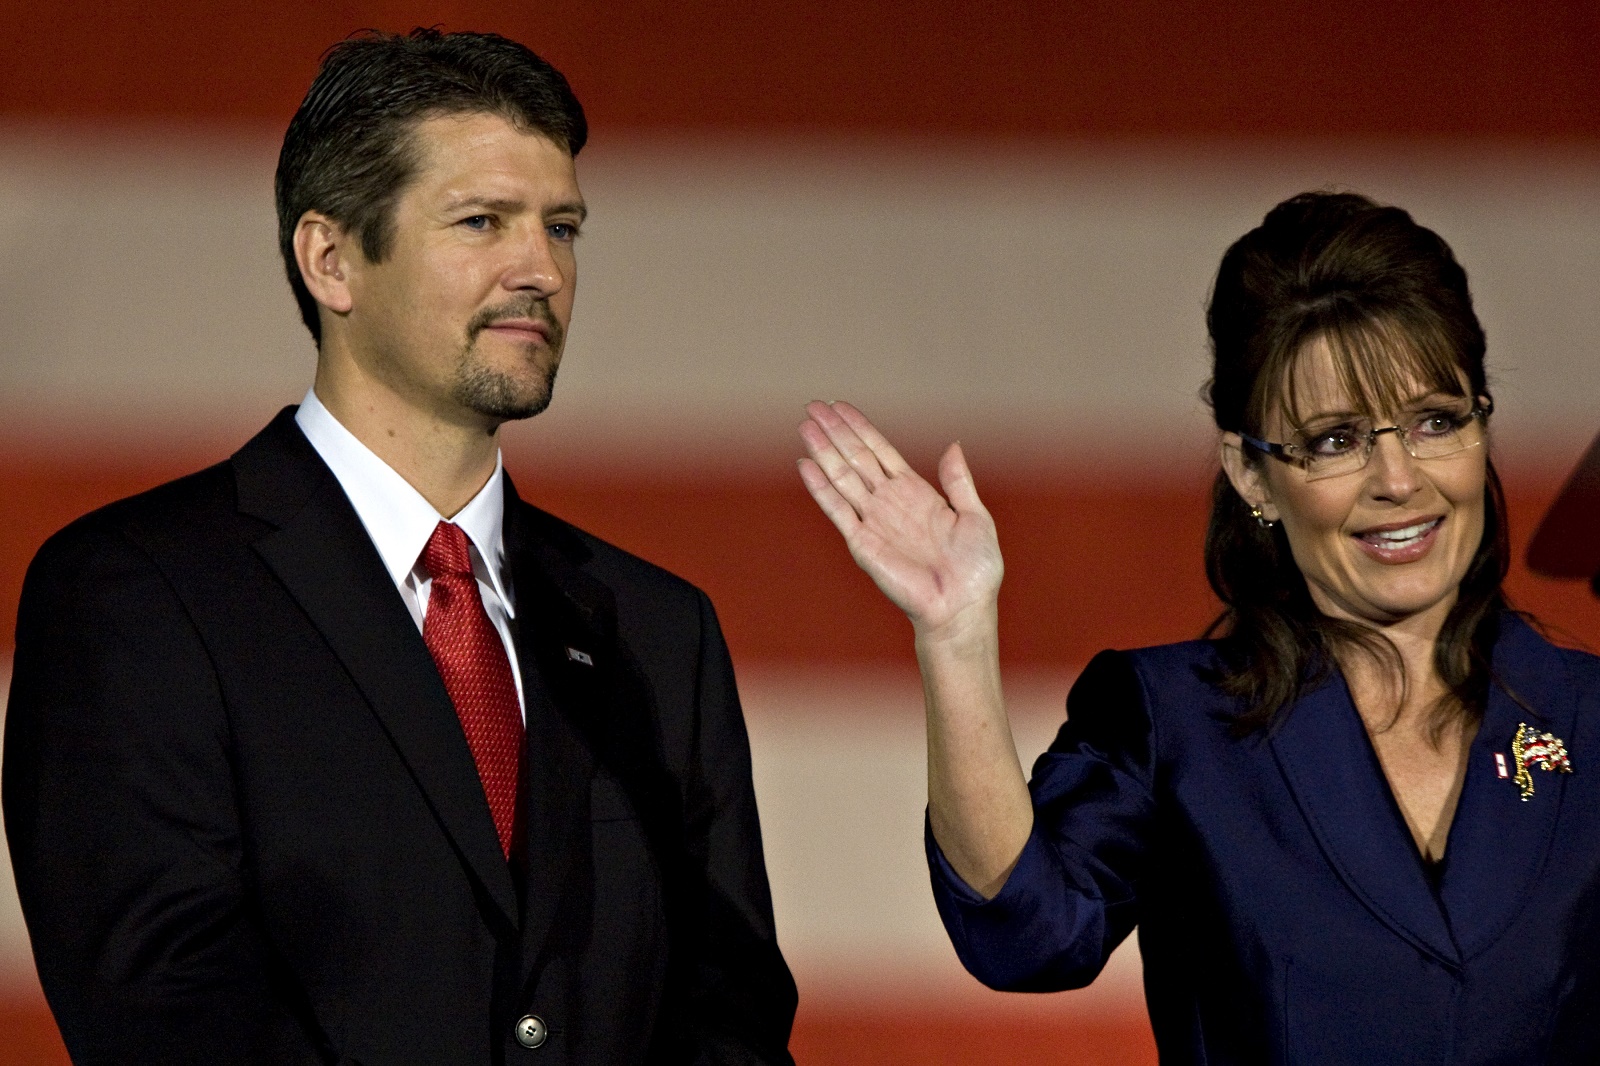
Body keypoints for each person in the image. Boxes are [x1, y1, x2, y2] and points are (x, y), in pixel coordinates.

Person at [4, 29, 795, 1065]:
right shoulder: (137, 594)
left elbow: (728, 1019)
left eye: (562, 227)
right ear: (330, 260)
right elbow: (170, 1016)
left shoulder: (657, 628)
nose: (541, 270)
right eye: (482, 222)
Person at [797, 191, 1600, 1063]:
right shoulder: (1175, 721)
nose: (1398, 479)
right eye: (1335, 441)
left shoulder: (1588, 720)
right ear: (1251, 476)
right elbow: (1025, 936)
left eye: (1436, 421)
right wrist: (956, 639)